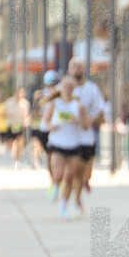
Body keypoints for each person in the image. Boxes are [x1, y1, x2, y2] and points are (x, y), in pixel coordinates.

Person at [42, 77, 90, 220]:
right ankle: (56, 186)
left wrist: (79, 120)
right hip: (57, 143)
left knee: (70, 177)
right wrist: (52, 126)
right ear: (60, 88)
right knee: (58, 173)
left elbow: (87, 125)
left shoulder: (78, 105)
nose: (68, 89)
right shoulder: (54, 104)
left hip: (74, 144)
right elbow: (45, 123)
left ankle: (63, 207)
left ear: (73, 89)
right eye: (65, 86)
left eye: (70, 87)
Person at [68, 57, 107, 195]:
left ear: (84, 69)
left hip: (88, 132)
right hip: (69, 134)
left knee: (87, 164)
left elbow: (100, 109)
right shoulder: (64, 88)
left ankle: (85, 180)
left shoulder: (92, 88)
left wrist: (92, 120)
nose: (77, 69)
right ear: (69, 69)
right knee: (73, 165)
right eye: (74, 66)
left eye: (79, 66)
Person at [0, 88, 29, 167]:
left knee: (19, 143)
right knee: (10, 143)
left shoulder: (25, 103)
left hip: (20, 126)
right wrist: (8, 114)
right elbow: (2, 113)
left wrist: (25, 119)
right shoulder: (9, 102)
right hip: (11, 125)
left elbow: (27, 115)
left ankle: (17, 161)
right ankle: (8, 152)